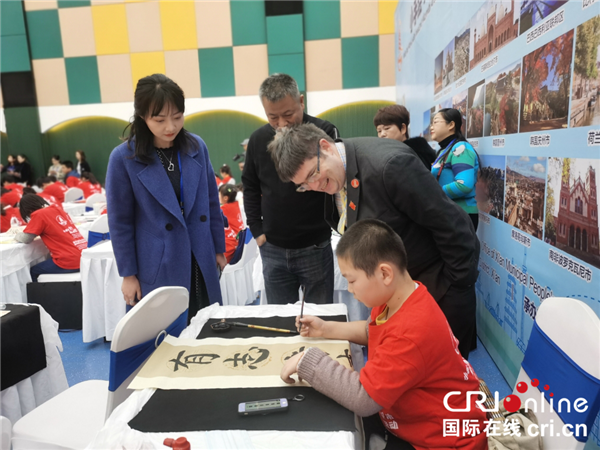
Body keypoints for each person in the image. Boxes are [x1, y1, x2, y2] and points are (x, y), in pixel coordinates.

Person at [268, 124, 480, 358]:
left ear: (325, 147)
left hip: (437, 287)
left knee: (440, 379)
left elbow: (453, 226)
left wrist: (456, 286)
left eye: (313, 174)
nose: (315, 186)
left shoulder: (390, 165)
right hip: (399, 293)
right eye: (304, 185)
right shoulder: (335, 177)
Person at [280, 219, 487, 450]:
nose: (349, 289)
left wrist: (306, 360)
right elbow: (374, 331)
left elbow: (363, 398)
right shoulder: (401, 297)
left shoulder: (410, 331)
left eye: (351, 281)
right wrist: (325, 328)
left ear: (385, 274)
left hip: (444, 442)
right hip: (417, 423)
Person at [106, 73, 225, 321]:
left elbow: (212, 202)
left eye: (177, 117)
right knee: (165, 335)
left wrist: (218, 249)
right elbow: (120, 222)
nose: (170, 127)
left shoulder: (196, 146)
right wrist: (128, 275)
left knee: (206, 326)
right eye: (159, 120)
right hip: (159, 260)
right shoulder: (124, 158)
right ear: (142, 117)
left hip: (200, 254)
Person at [242, 73, 339, 305]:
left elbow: (338, 184)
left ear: (301, 102)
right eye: (272, 117)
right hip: (273, 246)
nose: (282, 124)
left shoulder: (322, 132)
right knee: (280, 321)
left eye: (288, 114)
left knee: (321, 317)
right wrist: (257, 231)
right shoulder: (258, 140)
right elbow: (251, 187)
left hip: (316, 244)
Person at [15, 194, 87, 282]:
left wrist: (16, 234)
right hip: (84, 257)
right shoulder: (57, 209)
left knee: (33, 271)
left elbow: (25, 238)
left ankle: (38, 296)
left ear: (28, 210)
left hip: (69, 261)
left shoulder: (39, 214)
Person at [431, 108, 480, 230]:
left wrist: (433, 194)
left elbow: (463, 185)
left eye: (436, 122)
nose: (431, 127)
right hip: (448, 213)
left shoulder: (461, 148)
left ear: (451, 125)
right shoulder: (444, 150)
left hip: (461, 215)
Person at [374, 105, 436, 169]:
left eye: (387, 128)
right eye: (379, 131)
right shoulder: (381, 155)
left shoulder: (417, 153)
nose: (382, 134)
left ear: (403, 128)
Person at [219, 184, 244, 263]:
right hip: (239, 240)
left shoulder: (223, 209)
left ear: (225, 198)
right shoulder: (236, 204)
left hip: (234, 242)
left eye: (219, 194)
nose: (218, 196)